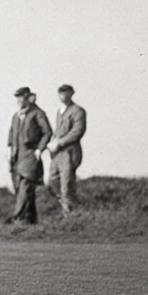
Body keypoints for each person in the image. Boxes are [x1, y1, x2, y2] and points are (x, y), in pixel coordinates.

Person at [7, 87, 52, 224]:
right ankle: (30, 219)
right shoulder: (16, 116)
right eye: (18, 98)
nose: (19, 100)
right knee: (21, 187)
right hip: (16, 156)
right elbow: (11, 134)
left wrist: (39, 149)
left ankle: (17, 217)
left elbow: (47, 132)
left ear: (29, 98)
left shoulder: (38, 113)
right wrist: (9, 149)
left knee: (25, 185)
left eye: (22, 97)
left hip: (30, 155)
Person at [47, 84, 87, 215]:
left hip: (69, 152)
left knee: (66, 184)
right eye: (60, 93)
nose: (63, 96)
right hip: (57, 154)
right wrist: (53, 143)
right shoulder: (60, 111)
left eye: (66, 93)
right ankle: (68, 205)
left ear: (71, 94)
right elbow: (57, 131)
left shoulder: (78, 111)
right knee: (52, 181)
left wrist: (60, 142)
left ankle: (70, 214)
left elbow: (77, 131)